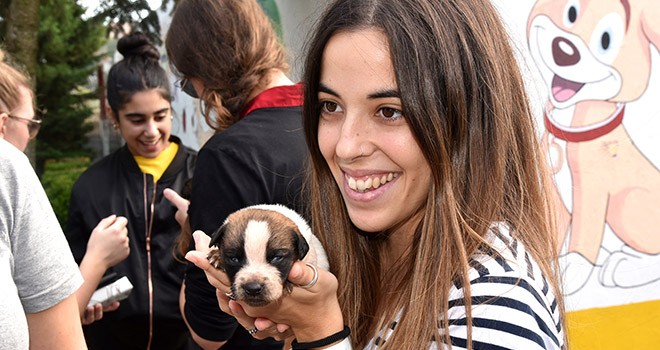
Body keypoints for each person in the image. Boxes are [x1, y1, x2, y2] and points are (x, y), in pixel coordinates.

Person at [185, 0, 568, 349]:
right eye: (330, 105)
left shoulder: (491, 305)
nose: (346, 146)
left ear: (465, 121)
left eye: (389, 111)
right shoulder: (374, 258)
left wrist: (322, 332)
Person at [164, 0, 307, 348]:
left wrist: (193, 232)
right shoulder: (334, 118)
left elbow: (209, 332)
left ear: (205, 72)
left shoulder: (228, 156)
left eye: (187, 84)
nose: (195, 94)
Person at [65, 32, 197, 349]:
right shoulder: (90, 186)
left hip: (190, 342)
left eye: (160, 117)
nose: (151, 131)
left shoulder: (204, 173)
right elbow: (71, 276)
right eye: (136, 120)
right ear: (113, 117)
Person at [0, 50, 86, 349]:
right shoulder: (9, 168)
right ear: (3, 123)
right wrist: (98, 258)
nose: (31, 136)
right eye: (30, 124)